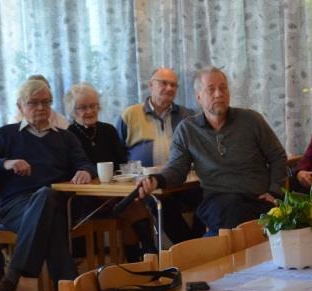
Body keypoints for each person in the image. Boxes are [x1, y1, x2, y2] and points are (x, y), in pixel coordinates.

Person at [0, 78, 95, 291]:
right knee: (50, 214)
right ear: (20, 106)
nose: (41, 108)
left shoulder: (65, 137)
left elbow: (86, 163)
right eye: (33, 103)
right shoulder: (7, 135)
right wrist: (4, 163)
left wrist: (84, 171)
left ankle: (12, 275)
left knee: (47, 197)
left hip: (58, 204)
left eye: (46, 102)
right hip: (17, 206)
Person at [138, 67, 288, 234]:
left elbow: (278, 156)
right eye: (211, 89)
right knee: (231, 215)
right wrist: (156, 180)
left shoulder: (251, 120)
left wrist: (275, 192)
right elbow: (177, 169)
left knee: (229, 229)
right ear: (199, 97)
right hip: (219, 200)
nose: (218, 94)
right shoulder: (188, 129)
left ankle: (204, 253)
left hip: (258, 198)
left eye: (223, 88)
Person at [64, 83, 153, 258]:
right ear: (73, 111)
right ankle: (147, 254)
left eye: (92, 106)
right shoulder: (69, 135)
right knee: (131, 203)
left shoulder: (108, 130)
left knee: (132, 203)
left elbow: (121, 162)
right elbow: (73, 168)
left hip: (114, 193)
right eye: (82, 108)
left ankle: (139, 258)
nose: (89, 111)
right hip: (87, 198)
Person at [117, 67, 201, 243]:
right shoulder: (130, 115)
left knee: (208, 194)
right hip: (147, 185)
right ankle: (189, 247)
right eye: (164, 83)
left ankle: (198, 243)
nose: (169, 88)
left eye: (173, 85)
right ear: (151, 85)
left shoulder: (187, 115)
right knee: (159, 201)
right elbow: (118, 153)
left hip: (182, 181)